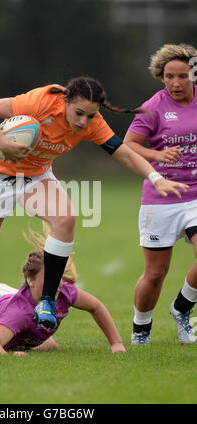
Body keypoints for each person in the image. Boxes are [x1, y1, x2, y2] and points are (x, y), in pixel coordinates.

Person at [0, 76, 187, 331]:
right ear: (67, 102)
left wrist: (155, 178)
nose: (84, 122)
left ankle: (47, 300)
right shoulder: (43, 101)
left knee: (65, 218)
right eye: (79, 113)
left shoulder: (93, 123)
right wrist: (3, 143)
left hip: (34, 175)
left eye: (91, 115)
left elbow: (125, 154)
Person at [123, 43, 197, 345]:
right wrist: (157, 154)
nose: (176, 83)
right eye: (169, 76)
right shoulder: (153, 107)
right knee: (155, 274)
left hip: (195, 194)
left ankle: (182, 309)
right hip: (161, 198)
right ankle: (141, 326)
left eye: (182, 76)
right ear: (161, 76)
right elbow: (128, 145)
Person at [0, 225, 127, 355]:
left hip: (11, 297)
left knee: (50, 346)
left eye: (57, 276)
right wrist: (10, 356)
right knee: (16, 326)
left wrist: (116, 343)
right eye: (49, 278)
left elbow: (95, 306)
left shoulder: (62, 290)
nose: (56, 283)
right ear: (30, 280)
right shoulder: (19, 313)